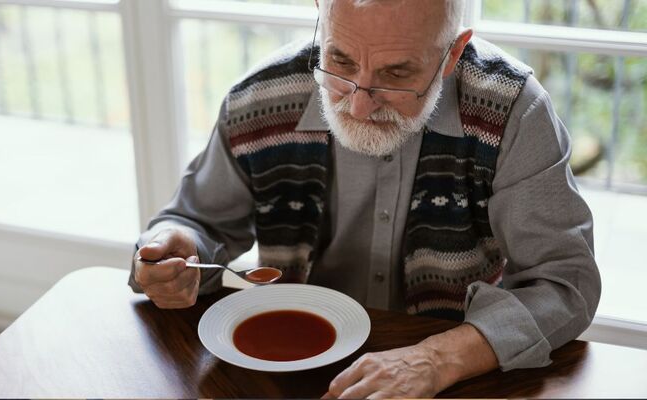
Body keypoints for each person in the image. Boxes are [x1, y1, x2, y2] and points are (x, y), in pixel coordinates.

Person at [129, 0, 602, 397]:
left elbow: (565, 283)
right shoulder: (258, 97)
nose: (357, 104)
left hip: (451, 376)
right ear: (321, 13)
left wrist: (436, 360)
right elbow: (194, 222)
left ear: (454, 52)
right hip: (287, 366)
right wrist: (176, 244)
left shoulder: (513, 112)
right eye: (340, 62)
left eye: (396, 73)